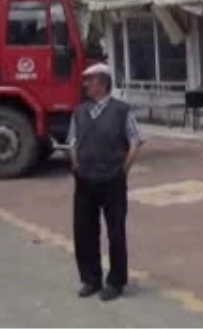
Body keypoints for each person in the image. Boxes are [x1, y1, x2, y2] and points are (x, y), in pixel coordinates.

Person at [67, 62, 144, 302]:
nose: (86, 85)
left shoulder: (121, 110)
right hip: (85, 180)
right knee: (84, 231)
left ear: (102, 82)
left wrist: (124, 169)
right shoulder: (79, 112)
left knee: (115, 232)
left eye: (90, 80)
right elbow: (72, 141)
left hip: (112, 179)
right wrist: (75, 162)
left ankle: (115, 281)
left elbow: (136, 140)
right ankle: (91, 279)